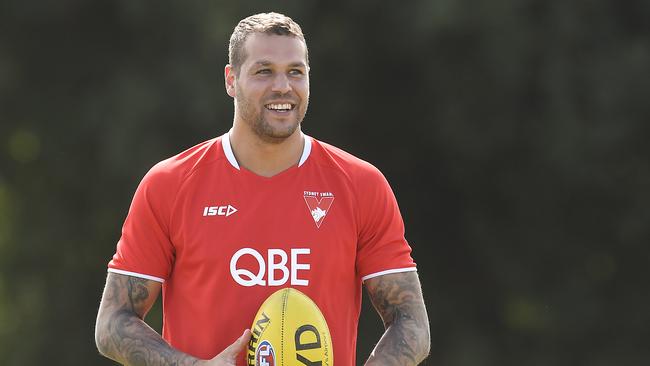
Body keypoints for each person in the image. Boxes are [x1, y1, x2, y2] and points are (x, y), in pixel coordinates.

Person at [95, 12, 430, 366]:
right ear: (230, 79)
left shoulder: (361, 185)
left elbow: (411, 324)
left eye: (295, 72)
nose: (283, 86)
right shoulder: (169, 185)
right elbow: (113, 322)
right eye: (264, 71)